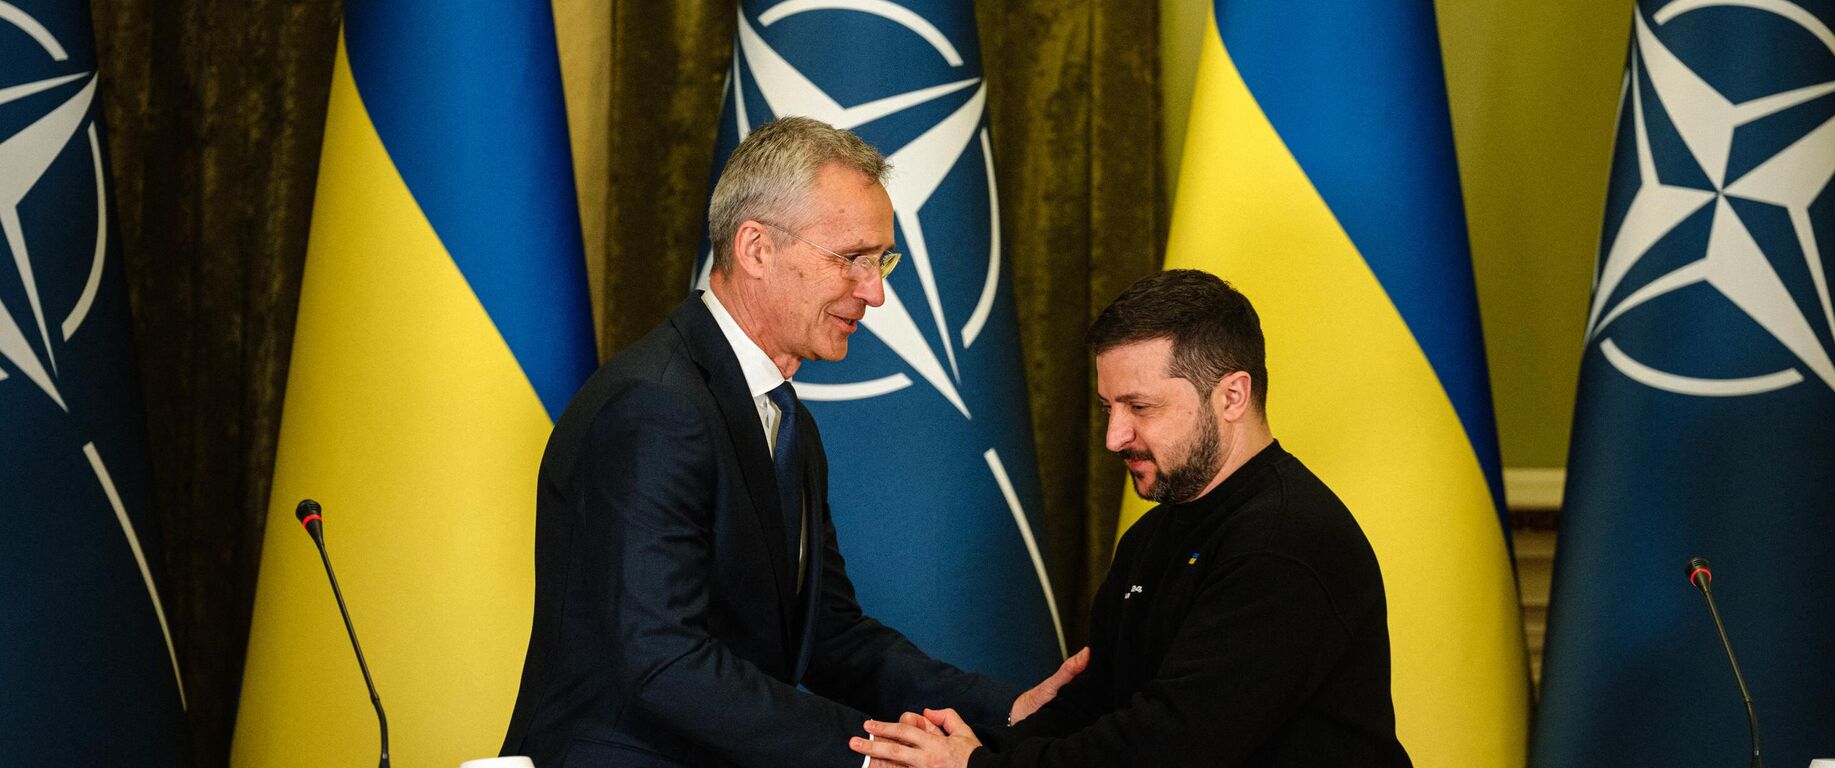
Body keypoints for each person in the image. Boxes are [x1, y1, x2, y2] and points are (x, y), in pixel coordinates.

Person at [501, 116, 1083, 768]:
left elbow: (829, 636)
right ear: (755, 249)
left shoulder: (784, 419)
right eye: (852, 258)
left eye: (881, 260)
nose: (876, 292)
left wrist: (1004, 710)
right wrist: (867, 755)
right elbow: (661, 660)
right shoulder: (657, 406)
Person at [852, 270, 1412, 767]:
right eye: (1107, 408)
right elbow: (1097, 705)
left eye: (1140, 407)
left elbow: (1167, 747)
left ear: (1233, 396)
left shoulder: (1286, 544)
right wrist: (964, 746)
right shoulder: (1154, 534)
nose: (1114, 437)